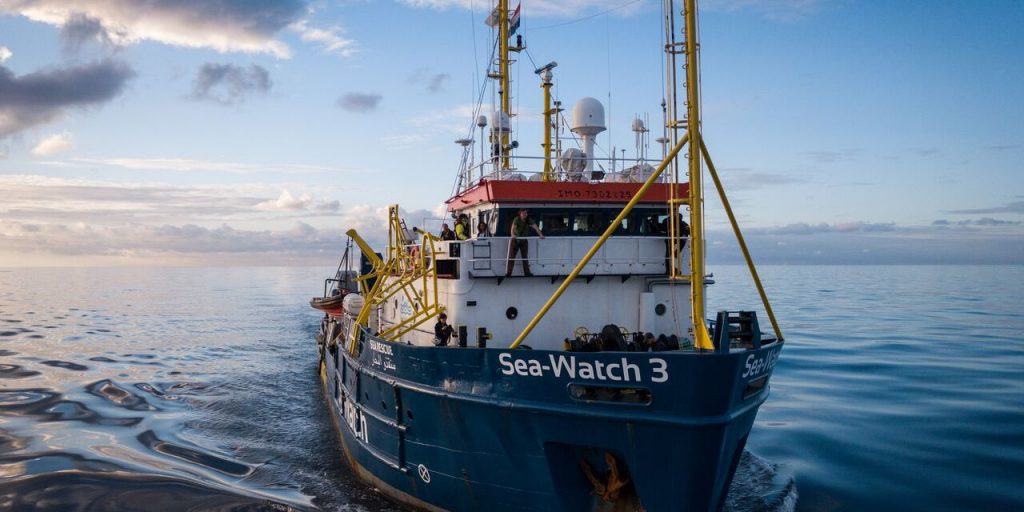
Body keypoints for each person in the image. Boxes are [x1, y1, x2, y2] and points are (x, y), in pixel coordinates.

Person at [506, 208, 545, 277]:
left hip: (524, 240)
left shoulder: (529, 220)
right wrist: (512, 235)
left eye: (526, 213)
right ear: (520, 214)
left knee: (525, 257)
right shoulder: (517, 219)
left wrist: (541, 235)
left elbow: (536, 227)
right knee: (511, 257)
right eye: (523, 213)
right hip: (515, 240)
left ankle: (527, 272)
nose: (525, 214)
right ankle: (509, 273)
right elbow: (513, 228)